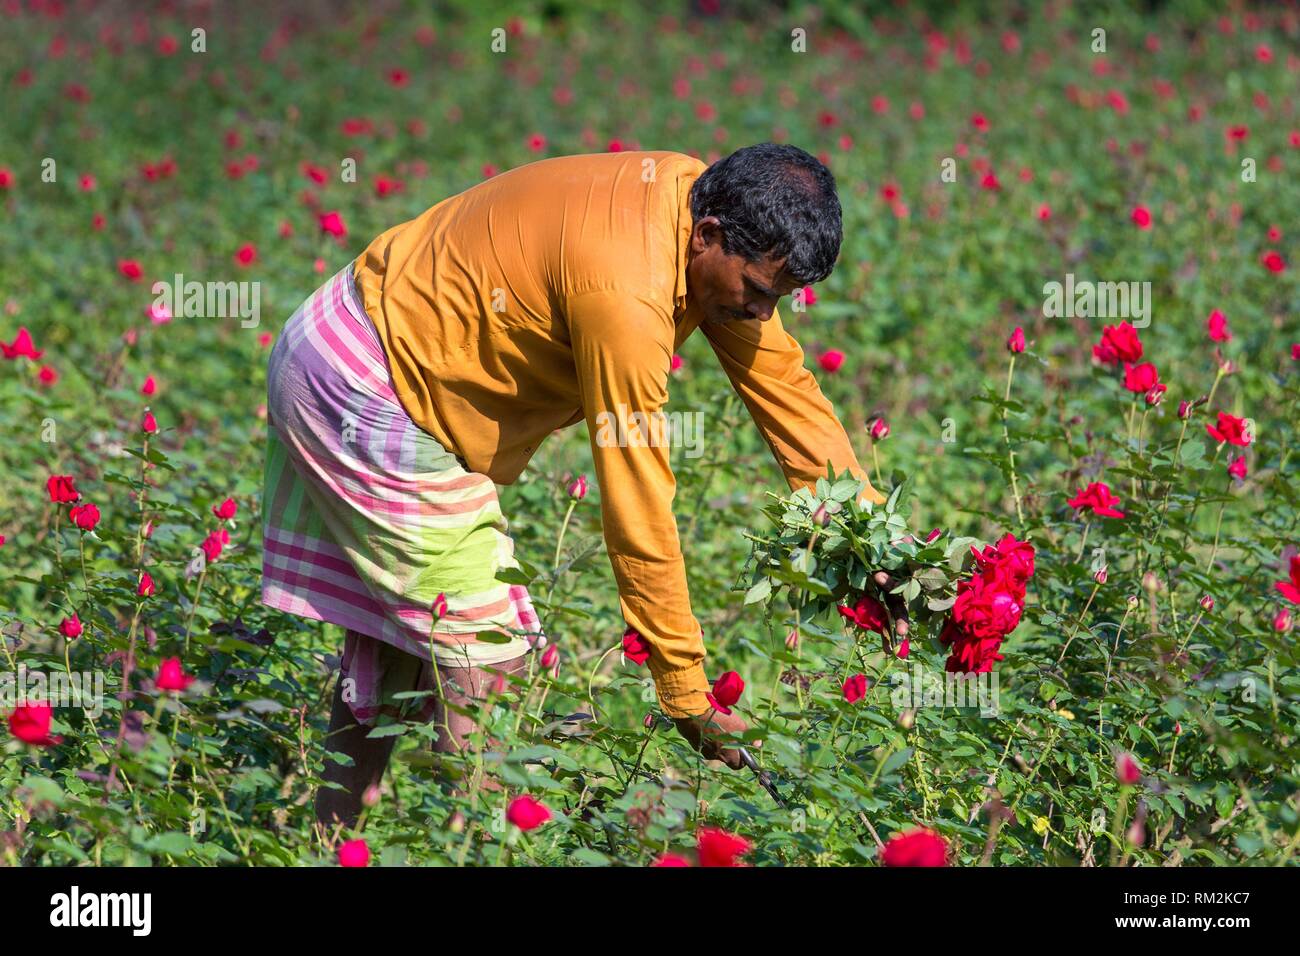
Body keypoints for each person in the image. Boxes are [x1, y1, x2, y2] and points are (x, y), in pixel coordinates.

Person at [260, 142, 887, 829]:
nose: (764, 315)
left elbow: (783, 388)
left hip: (356, 341)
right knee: (490, 666)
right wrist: (684, 689)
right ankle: (476, 844)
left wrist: (875, 543)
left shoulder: (695, 202)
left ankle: (327, 842)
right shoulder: (626, 292)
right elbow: (636, 496)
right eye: (760, 294)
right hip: (366, 387)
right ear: (709, 236)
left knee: (403, 648)